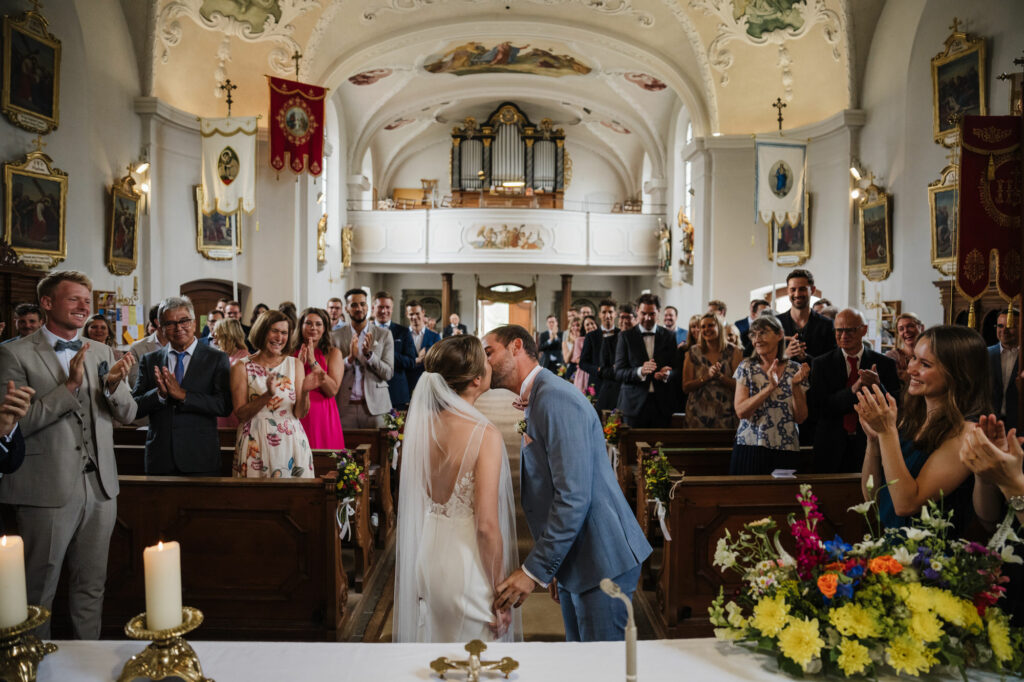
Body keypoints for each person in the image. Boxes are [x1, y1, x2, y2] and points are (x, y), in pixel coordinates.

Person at [484, 325, 652, 642]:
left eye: (488, 352)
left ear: (516, 346)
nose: (483, 361)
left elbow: (573, 497)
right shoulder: (539, 396)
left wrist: (534, 571)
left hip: (602, 557)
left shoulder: (555, 397)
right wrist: (558, 567)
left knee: (601, 671)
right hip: (579, 556)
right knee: (580, 663)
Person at [0, 270, 138, 639]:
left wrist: (113, 388)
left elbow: (127, 414)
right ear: (47, 303)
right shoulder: (14, 353)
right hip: (45, 489)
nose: (84, 306)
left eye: (86, 300)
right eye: (74, 299)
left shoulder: (104, 352)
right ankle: (30, 667)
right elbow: (13, 426)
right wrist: (70, 388)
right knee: (36, 590)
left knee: (91, 587)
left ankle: (84, 666)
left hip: (100, 489)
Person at [394, 335, 521, 643]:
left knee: (438, 659)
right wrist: (500, 594)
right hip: (467, 566)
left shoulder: (423, 428)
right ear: (477, 379)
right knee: (474, 661)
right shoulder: (484, 434)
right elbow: (486, 527)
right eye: (485, 361)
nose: (490, 364)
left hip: (430, 554)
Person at [855, 325, 987, 536]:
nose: (911, 370)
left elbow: (906, 504)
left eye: (925, 364)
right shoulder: (912, 419)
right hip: (894, 551)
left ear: (957, 373)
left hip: (932, 560)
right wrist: (874, 440)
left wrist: (887, 432)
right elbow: (872, 499)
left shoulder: (966, 432)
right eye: (914, 358)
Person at [132, 296, 232, 476]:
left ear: (194, 323)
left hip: (200, 457)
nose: (178, 328)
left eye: (184, 321)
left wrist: (184, 395)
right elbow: (135, 407)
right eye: (170, 323)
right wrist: (160, 395)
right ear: (161, 328)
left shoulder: (216, 358)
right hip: (160, 458)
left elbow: (223, 405)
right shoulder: (150, 360)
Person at [809, 308, 899, 474]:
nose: (844, 335)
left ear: (863, 330)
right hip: (831, 445)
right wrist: (854, 389)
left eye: (850, 330)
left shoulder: (884, 364)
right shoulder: (821, 364)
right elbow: (820, 407)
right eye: (839, 330)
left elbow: (894, 405)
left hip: (869, 444)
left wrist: (878, 385)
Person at [231, 310, 317, 478]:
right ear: (262, 331)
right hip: (254, 440)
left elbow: (299, 413)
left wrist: (305, 391)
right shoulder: (241, 367)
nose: (280, 338)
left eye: (284, 333)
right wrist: (267, 396)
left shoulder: (295, 364)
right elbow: (241, 414)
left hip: (290, 440)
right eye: (274, 331)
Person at [730, 313, 810, 475]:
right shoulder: (746, 367)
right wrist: (769, 388)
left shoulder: (795, 369)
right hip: (750, 445)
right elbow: (741, 411)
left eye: (763, 332)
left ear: (779, 334)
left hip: (785, 447)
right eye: (754, 334)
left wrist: (795, 387)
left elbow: (800, 417)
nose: (757, 339)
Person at [331, 288, 394, 429]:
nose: (359, 308)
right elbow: (331, 373)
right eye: (353, 305)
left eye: (362, 304)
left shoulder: (384, 335)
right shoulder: (335, 337)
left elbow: (388, 373)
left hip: (376, 408)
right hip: (345, 407)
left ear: (368, 307)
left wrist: (370, 356)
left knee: (381, 450)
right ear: (346, 309)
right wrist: (350, 359)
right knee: (344, 450)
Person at [614, 293, 676, 428]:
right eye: (643, 313)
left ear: (658, 312)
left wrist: (668, 374)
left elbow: (677, 368)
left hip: (662, 404)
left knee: (660, 447)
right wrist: (639, 371)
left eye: (652, 314)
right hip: (633, 405)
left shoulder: (669, 336)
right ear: (637, 311)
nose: (648, 318)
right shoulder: (625, 337)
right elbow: (618, 372)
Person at [292, 307, 345, 450]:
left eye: (318, 324)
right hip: (295, 412)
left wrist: (313, 362)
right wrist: (298, 365)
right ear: (301, 326)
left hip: (323, 417)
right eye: (308, 323)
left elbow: (332, 390)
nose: (313, 328)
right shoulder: (290, 353)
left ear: (325, 328)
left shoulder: (333, 353)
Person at [681, 313, 741, 428]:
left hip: (726, 413)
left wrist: (721, 377)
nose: (706, 329)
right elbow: (686, 387)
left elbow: (741, 386)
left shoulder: (734, 351)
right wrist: (706, 377)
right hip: (698, 414)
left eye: (711, 325)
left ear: (719, 327)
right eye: (703, 326)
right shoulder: (693, 352)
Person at [372, 291, 416, 411]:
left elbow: (411, 361)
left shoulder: (403, 332)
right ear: (373, 308)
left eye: (387, 307)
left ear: (392, 309)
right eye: (380, 307)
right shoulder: (367, 331)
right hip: (371, 392)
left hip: (396, 392)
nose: (384, 311)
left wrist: (385, 353)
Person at [213, 318, 250, 429]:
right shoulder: (225, 357)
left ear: (227, 336)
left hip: (234, 416)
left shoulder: (243, 360)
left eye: (217, 336)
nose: (215, 341)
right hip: (221, 414)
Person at [988, 310, 1020, 432]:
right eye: (1000, 326)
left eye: (1010, 326)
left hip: (1019, 425)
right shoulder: (985, 354)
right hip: (990, 423)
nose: (1004, 331)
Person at [578, 299, 616, 398]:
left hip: (617, 383)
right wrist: (597, 369)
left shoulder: (622, 335)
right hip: (596, 383)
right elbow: (582, 363)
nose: (607, 316)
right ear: (599, 314)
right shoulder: (591, 336)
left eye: (610, 312)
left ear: (615, 314)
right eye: (604, 312)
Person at [406, 299, 440, 393]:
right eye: (411, 314)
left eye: (417, 313)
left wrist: (427, 354)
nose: (414, 317)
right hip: (406, 382)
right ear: (407, 314)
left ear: (423, 313)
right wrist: (415, 361)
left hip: (427, 384)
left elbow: (439, 359)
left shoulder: (435, 336)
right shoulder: (402, 335)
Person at [885, 312, 924, 387]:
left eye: (910, 326)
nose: (906, 331)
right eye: (901, 329)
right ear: (898, 334)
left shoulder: (931, 354)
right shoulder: (891, 357)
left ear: (921, 328)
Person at [572, 316, 598, 394]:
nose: (590, 326)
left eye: (592, 323)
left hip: (597, 373)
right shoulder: (579, 340)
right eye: (587, 325)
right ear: (584, 328)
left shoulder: (602, 338)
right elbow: (577, 359)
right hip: (584, 373)